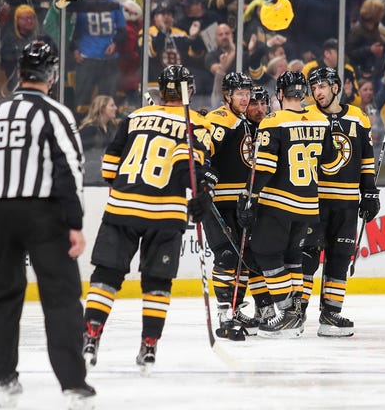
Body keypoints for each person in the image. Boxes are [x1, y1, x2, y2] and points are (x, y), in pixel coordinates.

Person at [0, 40, 95, 408]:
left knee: (2, 295)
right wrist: (74, 222)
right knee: (60, 297)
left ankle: (4, 377)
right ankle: (73, 383)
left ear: (20, 73)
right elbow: (69, 168)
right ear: (53, 76)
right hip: (43, 214)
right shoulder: (54, 113)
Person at [82, 65, 213, 373]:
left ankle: (90, 338)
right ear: (185, 91)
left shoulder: (135, 116)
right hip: (164, 215)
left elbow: (109, 167)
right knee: (157, 282)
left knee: (106, 276)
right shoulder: (194, 123)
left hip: (122, 208)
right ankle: (149, 347)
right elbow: (187, 169)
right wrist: (200, 197)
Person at [236, 71, 339, 337]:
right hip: (308, 205)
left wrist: (249, 196)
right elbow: (331, 163)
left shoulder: (274, 121)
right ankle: (296, 314)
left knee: (266, 252)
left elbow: (265, 167)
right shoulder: (321, 119)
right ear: (303, 93)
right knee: (293, 257)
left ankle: (289, 313)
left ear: (280, 94)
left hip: (278, 203)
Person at [301, 66, 380, 337]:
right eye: (313, 88)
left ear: (336, 87)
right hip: (314, 200)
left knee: (339, 258)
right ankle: (297, 312)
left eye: (321, 86)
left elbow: (366, 160)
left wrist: (369, 192)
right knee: (307, 256)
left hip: (346, 202)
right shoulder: (307, 116)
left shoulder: (358, 117)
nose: (317, 92)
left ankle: (330, 315)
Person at [203, 72, 275, 339]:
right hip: (218, 202)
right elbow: (202, 147)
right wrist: (204, 170)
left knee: (243, 259)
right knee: (227, 257)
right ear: (227, 96)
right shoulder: (222, 119)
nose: (245, 99)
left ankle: (233, 310)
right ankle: (225, 317)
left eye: (248, 94)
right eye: (241, 94)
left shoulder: (244, 122)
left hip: (239, 203)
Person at [68, 0, 126, 118]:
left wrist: (114, 43)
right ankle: (82, 132)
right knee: (82, 101)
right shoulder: (79, 3)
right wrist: (74, 48)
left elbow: (122, 30)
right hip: (87, 58)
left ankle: (107, 136)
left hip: (109, 59)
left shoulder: (113, 2)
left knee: (108, 101)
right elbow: (70, 29)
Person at [79, 95, 119, 186]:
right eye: (112, 105)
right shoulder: (89, 130)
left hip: (105, 174)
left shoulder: (111, 128)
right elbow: (83, 154)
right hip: (90, 178)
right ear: (102, 108)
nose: (116, 108)